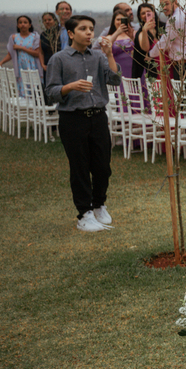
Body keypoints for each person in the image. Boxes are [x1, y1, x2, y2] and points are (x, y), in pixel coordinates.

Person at [43, 15, 121, 232]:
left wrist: (109, 54)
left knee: (102, 166)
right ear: (70, 33)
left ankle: (98, 205)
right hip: (73, 119)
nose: (89, 33)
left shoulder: (99, 57)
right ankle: (84, 214)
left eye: (91, 29)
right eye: (83, 29)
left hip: (98, 117)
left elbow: (115, 80)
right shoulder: (58, 59)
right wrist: (70, 86)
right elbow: (50, 92)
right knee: (80, 167)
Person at [0, 15, 42, 94]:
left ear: (29, 25)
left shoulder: (35, 37)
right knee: (23, 90)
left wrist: (21, 48)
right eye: (20, 22)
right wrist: (0, 63)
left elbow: (37, 53)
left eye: (25, 22)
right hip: (20, 67)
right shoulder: (14, 37)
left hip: (33, 67)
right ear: (17, 25)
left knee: (35, 91)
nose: (23, 24)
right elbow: (10, 54)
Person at [132, 3, 159, 80]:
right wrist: (145, 30)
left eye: (148, 12)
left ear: (153, 13)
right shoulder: (140, 33)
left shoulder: (162, 28)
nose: (146, 15)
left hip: (167, 64)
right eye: (143, 13)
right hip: (154, 69)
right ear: (140, 17)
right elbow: (145, 48)